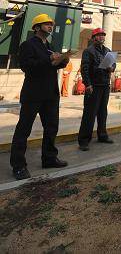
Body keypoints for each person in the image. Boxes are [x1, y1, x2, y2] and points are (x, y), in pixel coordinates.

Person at [10, 14, 70, 180]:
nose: (50, 27)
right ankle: (18, 165)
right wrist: (49, 59)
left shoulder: (48, 46)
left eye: (51, 24)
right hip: (33, 94)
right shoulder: (28, 45)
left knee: (51, 127)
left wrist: (62, 60)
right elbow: (27, 67)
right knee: (24, 129)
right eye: (46, 24)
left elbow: (50, 65)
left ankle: (49, 158)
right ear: (36, 27)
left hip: (50, 93)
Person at [78, 28, 116, 151]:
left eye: (102, 35)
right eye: (98, 35)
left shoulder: (107, 51)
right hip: (93, 86)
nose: (101, 37)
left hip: (105, 85)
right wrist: (87, 84)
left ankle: (102, 135)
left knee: (102, 112)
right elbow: (85, 69)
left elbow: (113, 64)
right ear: (93, 38)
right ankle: (84, 140)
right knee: (90, 113)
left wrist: (111, 67)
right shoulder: (88, 51)